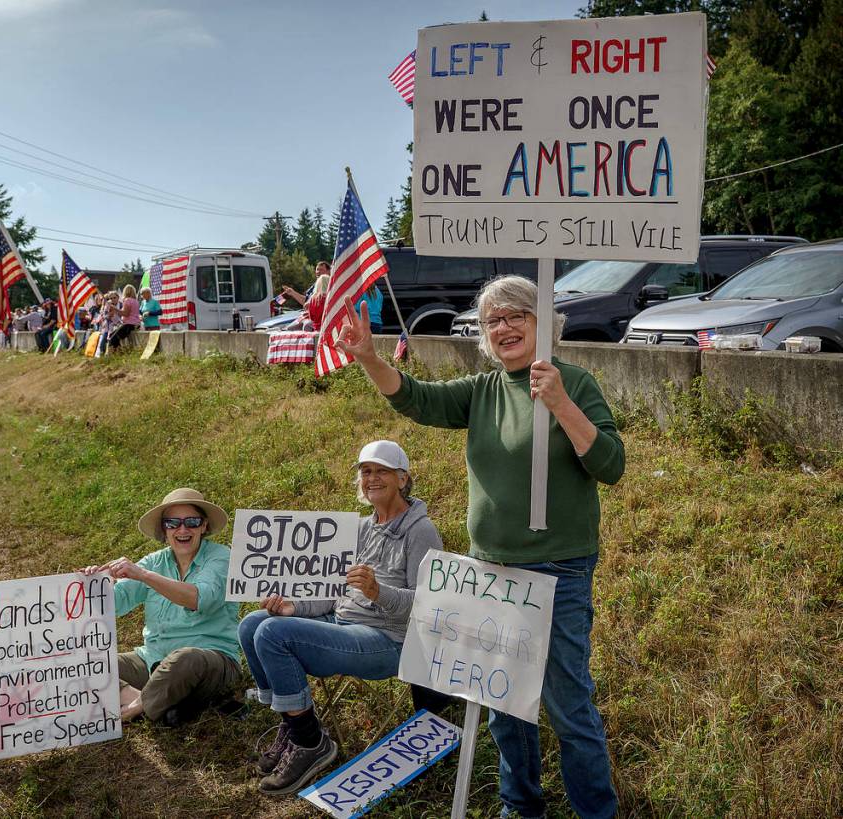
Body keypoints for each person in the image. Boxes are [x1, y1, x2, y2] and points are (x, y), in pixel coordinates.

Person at [338, 276, 624, 819]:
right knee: (504, 704)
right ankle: (521, 806)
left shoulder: (576, 383)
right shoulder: (484, 390)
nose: (505, 327)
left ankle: (596, 811)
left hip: (558, 571)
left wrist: (560, 401)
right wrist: (369, 359)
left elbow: (610, 465)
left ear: (545, 325)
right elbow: (418, 400)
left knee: (567, 706)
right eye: (494, 320)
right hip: (491, 571)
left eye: (517, 315)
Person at [238, 440, 443, 795]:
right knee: (252, 624)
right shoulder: (360, 528)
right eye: (366, 472)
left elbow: (431, 605)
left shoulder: (420, 531)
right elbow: (332, 590)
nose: (372, 478)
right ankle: (293, 723)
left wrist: (380, 592)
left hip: (387, 641)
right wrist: (294, 607)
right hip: (340, 624)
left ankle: (309, 742)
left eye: (382, 471)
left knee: (272, 634)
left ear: (403, 478)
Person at [78, 488, 241, 726]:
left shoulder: (221, 557)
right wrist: (97, 585)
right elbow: (116, 604)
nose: (182, 530)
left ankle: (138, 708)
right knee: (86, 665)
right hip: (153, 660)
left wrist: (144, 575)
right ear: (164, 530)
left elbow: (199, 598)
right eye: (173, 523)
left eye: (192, 522)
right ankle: (157, 703)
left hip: (209, 659)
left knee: (186, 658)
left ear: (204, 526)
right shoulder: (155, 561)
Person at [282, 262, 331, 331]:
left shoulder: (332, 286)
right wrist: (293, 293)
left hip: (316, 321)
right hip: (306, 317)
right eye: (317, 269)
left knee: (306, 326)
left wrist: (310, 305)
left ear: (329, 271)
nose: (318, 272)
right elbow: (305, 302)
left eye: (321, 270)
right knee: (287, 330)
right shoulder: (314, 287)